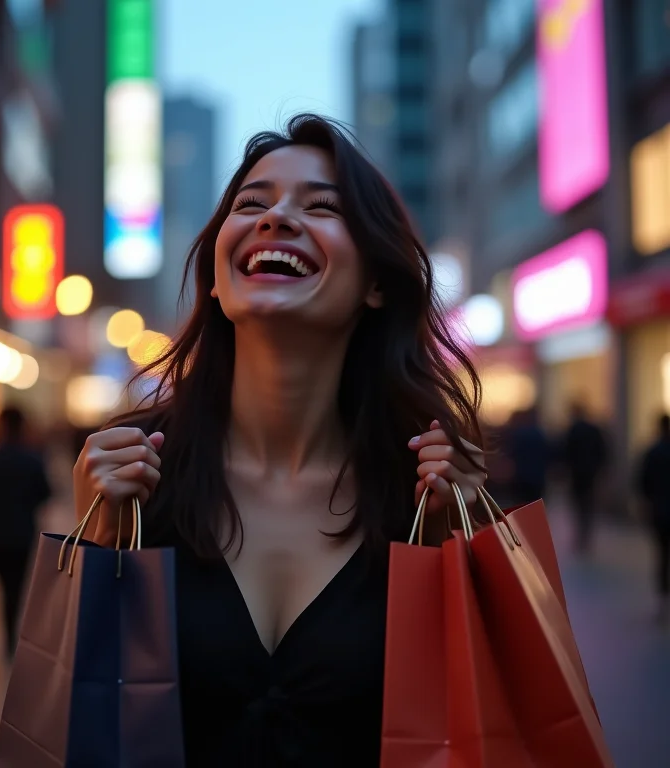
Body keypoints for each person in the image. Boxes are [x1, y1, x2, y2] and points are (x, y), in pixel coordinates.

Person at [74, 114, 487, 766]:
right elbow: (85, 716)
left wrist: (461, 556)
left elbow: (476, 726)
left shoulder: (428, 489)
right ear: (217, 275)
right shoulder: (136, 467)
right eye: (252, 204)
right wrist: (98, 541)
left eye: (321, 207)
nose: (276, 219)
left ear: (377, 281)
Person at [0, 406, 51, 658]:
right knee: (16, 586)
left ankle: (7, 637)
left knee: (3, 586)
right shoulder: (31, 458)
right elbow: (45, 492)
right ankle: (13, 635)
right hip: (23, 532)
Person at [562, 402, 608, 553]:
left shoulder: (573, 430)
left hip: (577, 473)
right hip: (591, 472)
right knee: (588, 504)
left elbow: (566, 452)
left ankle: (581, 535)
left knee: (578, 503)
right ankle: (586, 534)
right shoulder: (594, 430)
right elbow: (603, 451)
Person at [638, 414, 670, 625]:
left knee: (662, 555)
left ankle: (662, 600)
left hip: (660, 511)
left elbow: (643, 482)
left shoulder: (653, 452)